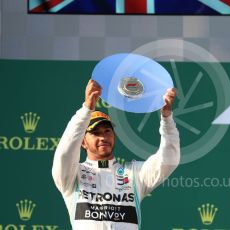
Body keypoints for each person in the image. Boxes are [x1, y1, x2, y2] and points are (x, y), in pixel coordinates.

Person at [52, 79, 180, 230]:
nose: (103, 137)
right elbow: (64, 153)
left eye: (107, 131)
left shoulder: (134, 173)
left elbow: (169, 160)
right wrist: (86, 109)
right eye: (95, 133)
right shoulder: (72, 175)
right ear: (83, 142)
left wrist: (166, 118)